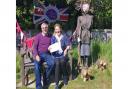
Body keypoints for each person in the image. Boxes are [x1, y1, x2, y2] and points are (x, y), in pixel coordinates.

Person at [33, 22, 55, 89]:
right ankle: (39, 86)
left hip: (47, 54)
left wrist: (51, 48)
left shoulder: (50, 36)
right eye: (43, 28)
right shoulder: (38, 36)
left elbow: (54, 44)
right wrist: (36, 55)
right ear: (41, 28)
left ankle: (45, 77)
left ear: (47, 28)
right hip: (39, 54)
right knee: (37, 67)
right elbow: (34, 47)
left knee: (52, 63)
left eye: (46, 27)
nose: (44, 29)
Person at [48, 24, 70, 89]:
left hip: (63, 55)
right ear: (55, 30)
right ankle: (57, 84)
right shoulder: (53, 37)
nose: (58, 31)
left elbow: (68, 45)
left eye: (58, 29)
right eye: (56, 29)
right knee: (57, 64)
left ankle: (65, 77)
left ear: (60, 29)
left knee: (63, 62)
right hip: (55, 56)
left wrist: (66, 49)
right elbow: (51, 47)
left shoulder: (64, 37)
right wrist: (50, 49)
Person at [73, 1, 93, 67]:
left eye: (86, 7)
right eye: (84, 7)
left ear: (88, 8)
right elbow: (78, 27)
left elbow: (91, 27)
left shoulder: (91, 17)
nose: (85, 8)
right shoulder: (79, 17)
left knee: (87, 48)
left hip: (87, 34)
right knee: (81, 48)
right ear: (82, 8)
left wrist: (91, 34)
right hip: (81, 34)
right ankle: (81, 62)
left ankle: (86, 63)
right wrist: (77, 34)